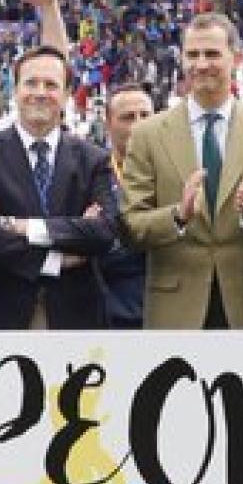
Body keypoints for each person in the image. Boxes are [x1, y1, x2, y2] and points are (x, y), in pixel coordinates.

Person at [120, 13, 243, 329]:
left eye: (212, 54)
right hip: (174, 311)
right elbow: (131, 225)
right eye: (192, 55)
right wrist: (178, 215)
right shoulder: (147, 134)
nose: (201, 65)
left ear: (237, 58)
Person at [0, 46, 117, 330]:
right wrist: (56, 258)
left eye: (51, 85)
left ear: (67, 95)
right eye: (31, 83)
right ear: (14, 90)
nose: (40, 92)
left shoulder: (93, 159)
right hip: (0, 315)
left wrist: (29, 228)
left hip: (76, 317)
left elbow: (104, 232)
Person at [96, 84, 155, 329]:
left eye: (145, 116)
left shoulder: (176, 173)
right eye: (128, 117)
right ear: (108, 124)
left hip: (167, 311)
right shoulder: (93, 173)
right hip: (111, 313)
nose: (138, 125)